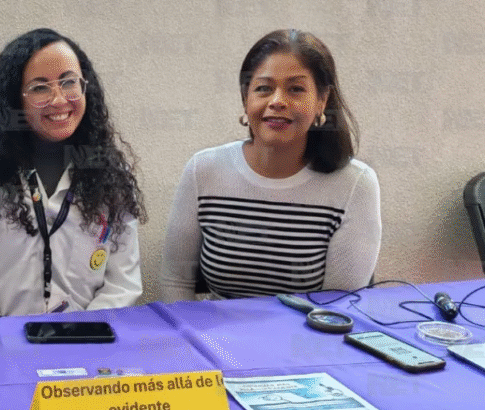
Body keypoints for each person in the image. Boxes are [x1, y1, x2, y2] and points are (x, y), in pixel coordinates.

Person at [161, 29, 381, 301]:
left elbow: (338, 306)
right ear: (246, 98)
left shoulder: (355, 185)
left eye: (296, 89)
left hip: (305, 339)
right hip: (214, 339)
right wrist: (193, 342)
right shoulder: (203, 171)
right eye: (264, 88)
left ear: (321, 101)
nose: (277, 102)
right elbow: (175, 281)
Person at [0, 28, 145, 320]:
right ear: (15, 99)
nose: (59, 99)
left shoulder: (110, 173)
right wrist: (3, 336)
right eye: (40, 87)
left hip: (88, 344)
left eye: (68, 82)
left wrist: (84, 332)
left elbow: (122, 280)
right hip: (0, 344)